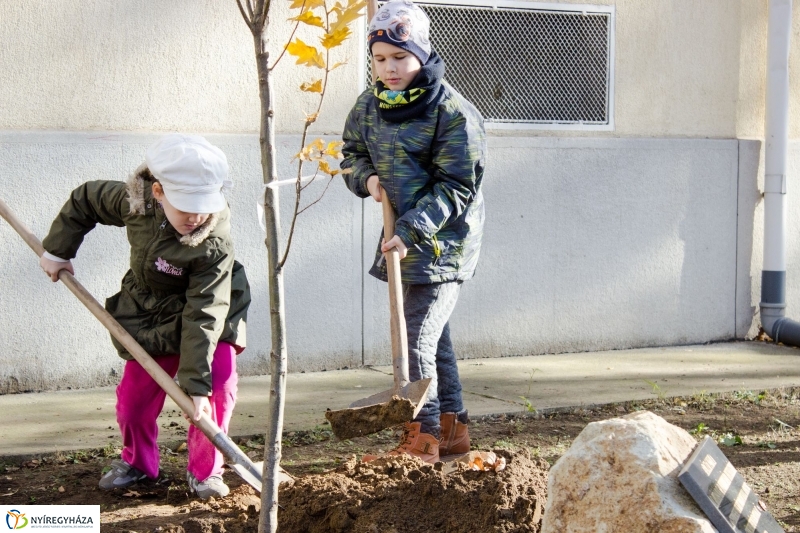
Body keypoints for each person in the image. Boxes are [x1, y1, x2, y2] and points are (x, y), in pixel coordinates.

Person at [39, 134, 250, 498]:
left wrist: (196, 385)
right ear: (158, 193)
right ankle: (138, 463)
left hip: (209, 313)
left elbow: (205, 313)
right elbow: (85, 199)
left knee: (215, 392)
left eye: (204, 206)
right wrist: (58, 250)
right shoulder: (133, 204)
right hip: (150, 311)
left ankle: (206, 472)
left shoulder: (213, 241)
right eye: (186, 207)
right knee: (134, 401)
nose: (197, 217)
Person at [341, 0, 487, 463]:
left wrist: (409, 230)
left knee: (417, 338)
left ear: (422, 53)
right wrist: (365, 178)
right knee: (436, 339)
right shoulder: (369, 107)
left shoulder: (453, 112)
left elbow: (456, 186)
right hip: (403, 239)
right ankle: (452, 433)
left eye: (400, 57)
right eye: (379, 58)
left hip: (444, 243)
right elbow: (351, 152)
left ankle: (421, 440)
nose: (389, 68)